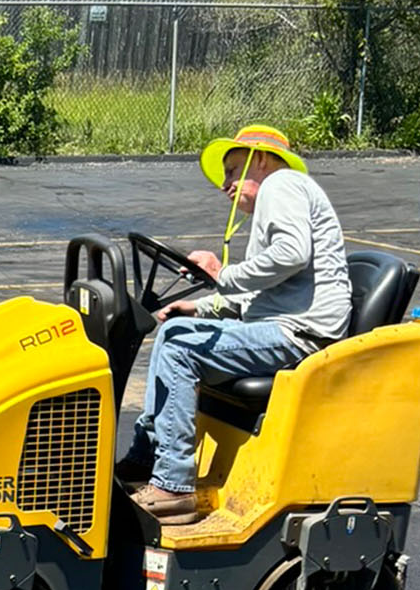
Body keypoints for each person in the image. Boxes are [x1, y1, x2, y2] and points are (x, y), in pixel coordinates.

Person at [120, 124, 352, 525]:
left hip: (299, 333)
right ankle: (146, 456)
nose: (225, 184)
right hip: (278, 325)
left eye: (232, 171)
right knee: (176, 331)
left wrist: (222, 271)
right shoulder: (276, 202)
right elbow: (252, 297)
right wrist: (197, 307)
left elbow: (292, 254)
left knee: (179, 347)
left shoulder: (282, 184)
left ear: (259, 158)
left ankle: (173, 486)